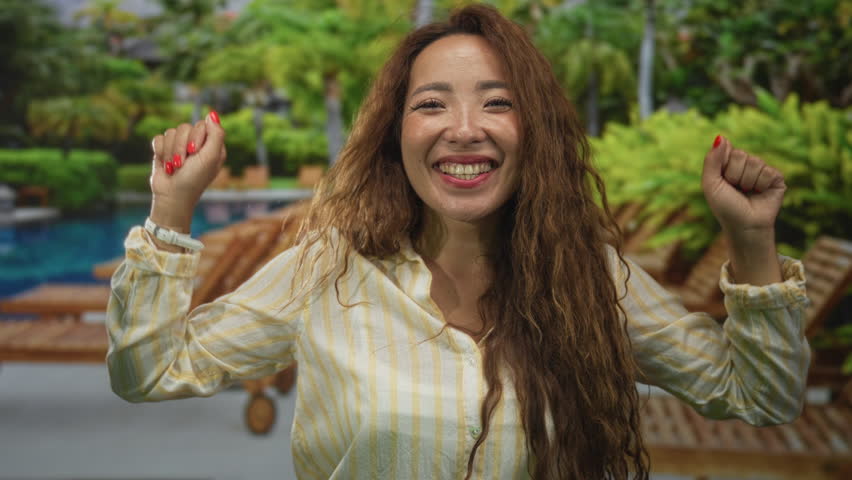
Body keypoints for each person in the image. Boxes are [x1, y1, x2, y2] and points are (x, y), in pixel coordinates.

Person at [107, 4, 810, 479]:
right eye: (432, 103)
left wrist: (752, 241)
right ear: (397, 135)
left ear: (534, 132)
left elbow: (762, 396)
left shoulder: (592, 281)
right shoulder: (327, 273)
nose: (465, 127)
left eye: (497, 101)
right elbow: (151, 371)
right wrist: (172, 206)